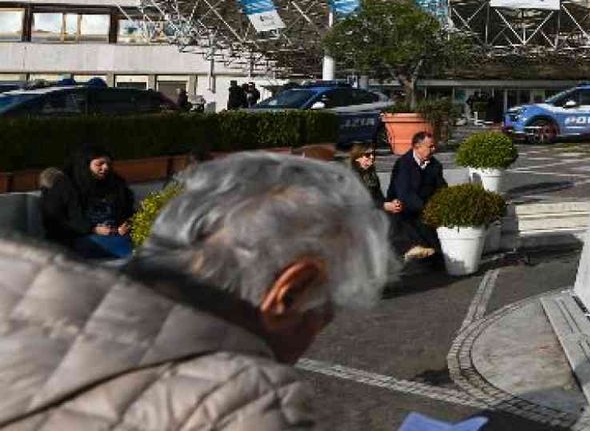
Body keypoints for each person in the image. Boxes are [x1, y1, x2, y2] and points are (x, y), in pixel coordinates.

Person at [0, 153, 394, 427]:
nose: (320, 328)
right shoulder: (241, 401)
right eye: (328, 310)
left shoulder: (15, 281)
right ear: (288, 294)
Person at [40, 145, 136, 259]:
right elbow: (55, 221)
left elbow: (128, 211)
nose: (105, 167)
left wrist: (125, 225)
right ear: (86, 164)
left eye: (108, 164)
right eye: (99, 164)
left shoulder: (115, 184)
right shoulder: (65, 186)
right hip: (78, 239)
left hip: (116, 236)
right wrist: (93, 229)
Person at [385, 131, 446, 260]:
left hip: (427, 211)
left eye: (434, 146)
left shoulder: (435, 166)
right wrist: (427, 210)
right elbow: (404, 194)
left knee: (438, 256)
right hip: (406, 211)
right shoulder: (403, 164)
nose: (434, 149)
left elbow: (441, 189)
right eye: (430, 147)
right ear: (417, 147)